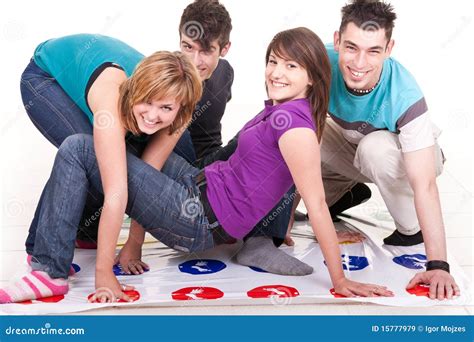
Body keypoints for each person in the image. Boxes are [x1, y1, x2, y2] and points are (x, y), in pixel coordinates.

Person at [0, 27, 394, 304]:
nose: (276, 72)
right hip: (198, 185)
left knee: (78, 148)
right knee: (126, 156)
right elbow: (273, 179)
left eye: (292, 67)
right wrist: (133, 241)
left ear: (313, 76)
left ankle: (49, 272)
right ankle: (49, 250)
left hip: (198, 221)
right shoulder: (283, 108)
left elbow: (317, 203)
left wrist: (340, 279)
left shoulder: (296, 130)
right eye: (274, 61)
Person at [5, 38, 202, 302]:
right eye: (148, 102)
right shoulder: (113, 98)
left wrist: (134, 244)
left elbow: (146, 174)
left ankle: (84, 232)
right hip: (46, 78)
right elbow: (117, 192)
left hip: (102, 81)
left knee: (120, 161)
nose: (153, 115)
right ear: (136, 91)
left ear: (179, 108)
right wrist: (104, 272)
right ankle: (46, 266)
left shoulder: (181, 107)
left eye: (165, 108)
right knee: (88, 153)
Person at [287, 0, 459, 300]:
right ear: (337, 41)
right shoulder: (320, 63)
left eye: (373, 51)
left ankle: (410, 229)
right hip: (352, 142)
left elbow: (426, 185)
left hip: (410, 155)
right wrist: (281, 224)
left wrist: (439, 264)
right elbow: (293, 140)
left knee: (375, 147)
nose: (359, 63)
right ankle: (345, 193)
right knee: (306, 130)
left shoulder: (404, 93)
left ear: (388, 49)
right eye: (352, 48)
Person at [78, 0, 234, 248]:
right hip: (173, 156)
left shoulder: (225, 73)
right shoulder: (178, 80)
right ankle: (87, 223)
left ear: (224, 48)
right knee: (94, 150)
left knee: (261, 137)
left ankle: (267, 228)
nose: (194, 60)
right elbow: (152, 163)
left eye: (206, 51)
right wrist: (134, 242)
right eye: (187, 47)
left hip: (201, 163)